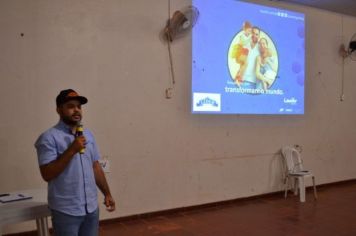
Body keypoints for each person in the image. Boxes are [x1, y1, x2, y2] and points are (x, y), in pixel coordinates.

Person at [35, 89, 116, 236]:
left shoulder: (88, 134)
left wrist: (107, 194)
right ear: (59, 110)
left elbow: (95, 166)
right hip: (66, 210)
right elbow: (47, 174)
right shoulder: (48, 138)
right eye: (71, 106)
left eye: (79, 106)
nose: (76, 110)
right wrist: (72, 150)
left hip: (91, 208)